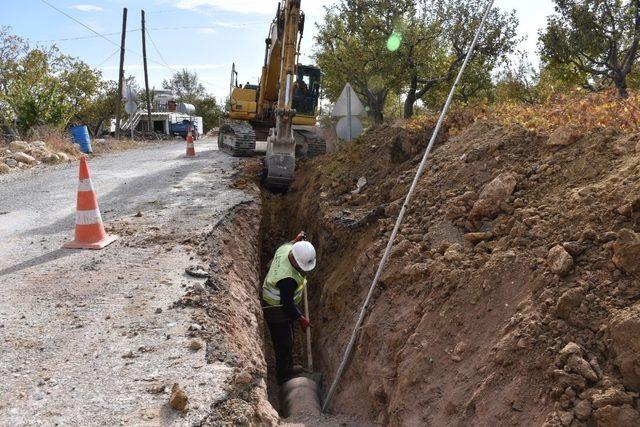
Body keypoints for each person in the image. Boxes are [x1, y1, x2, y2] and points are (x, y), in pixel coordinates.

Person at [262, 231, 316, 385]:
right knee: (284, 343)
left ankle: (288, 367)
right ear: (294, 260)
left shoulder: (285, 248)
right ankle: (284, 377)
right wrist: (300, 318)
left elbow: (289, 243)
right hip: (275, 308)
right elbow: (288, 305)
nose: (303, 269)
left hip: (279, 302)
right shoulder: (287, 279)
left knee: (289, 337)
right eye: (301, 266)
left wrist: (296, 239)